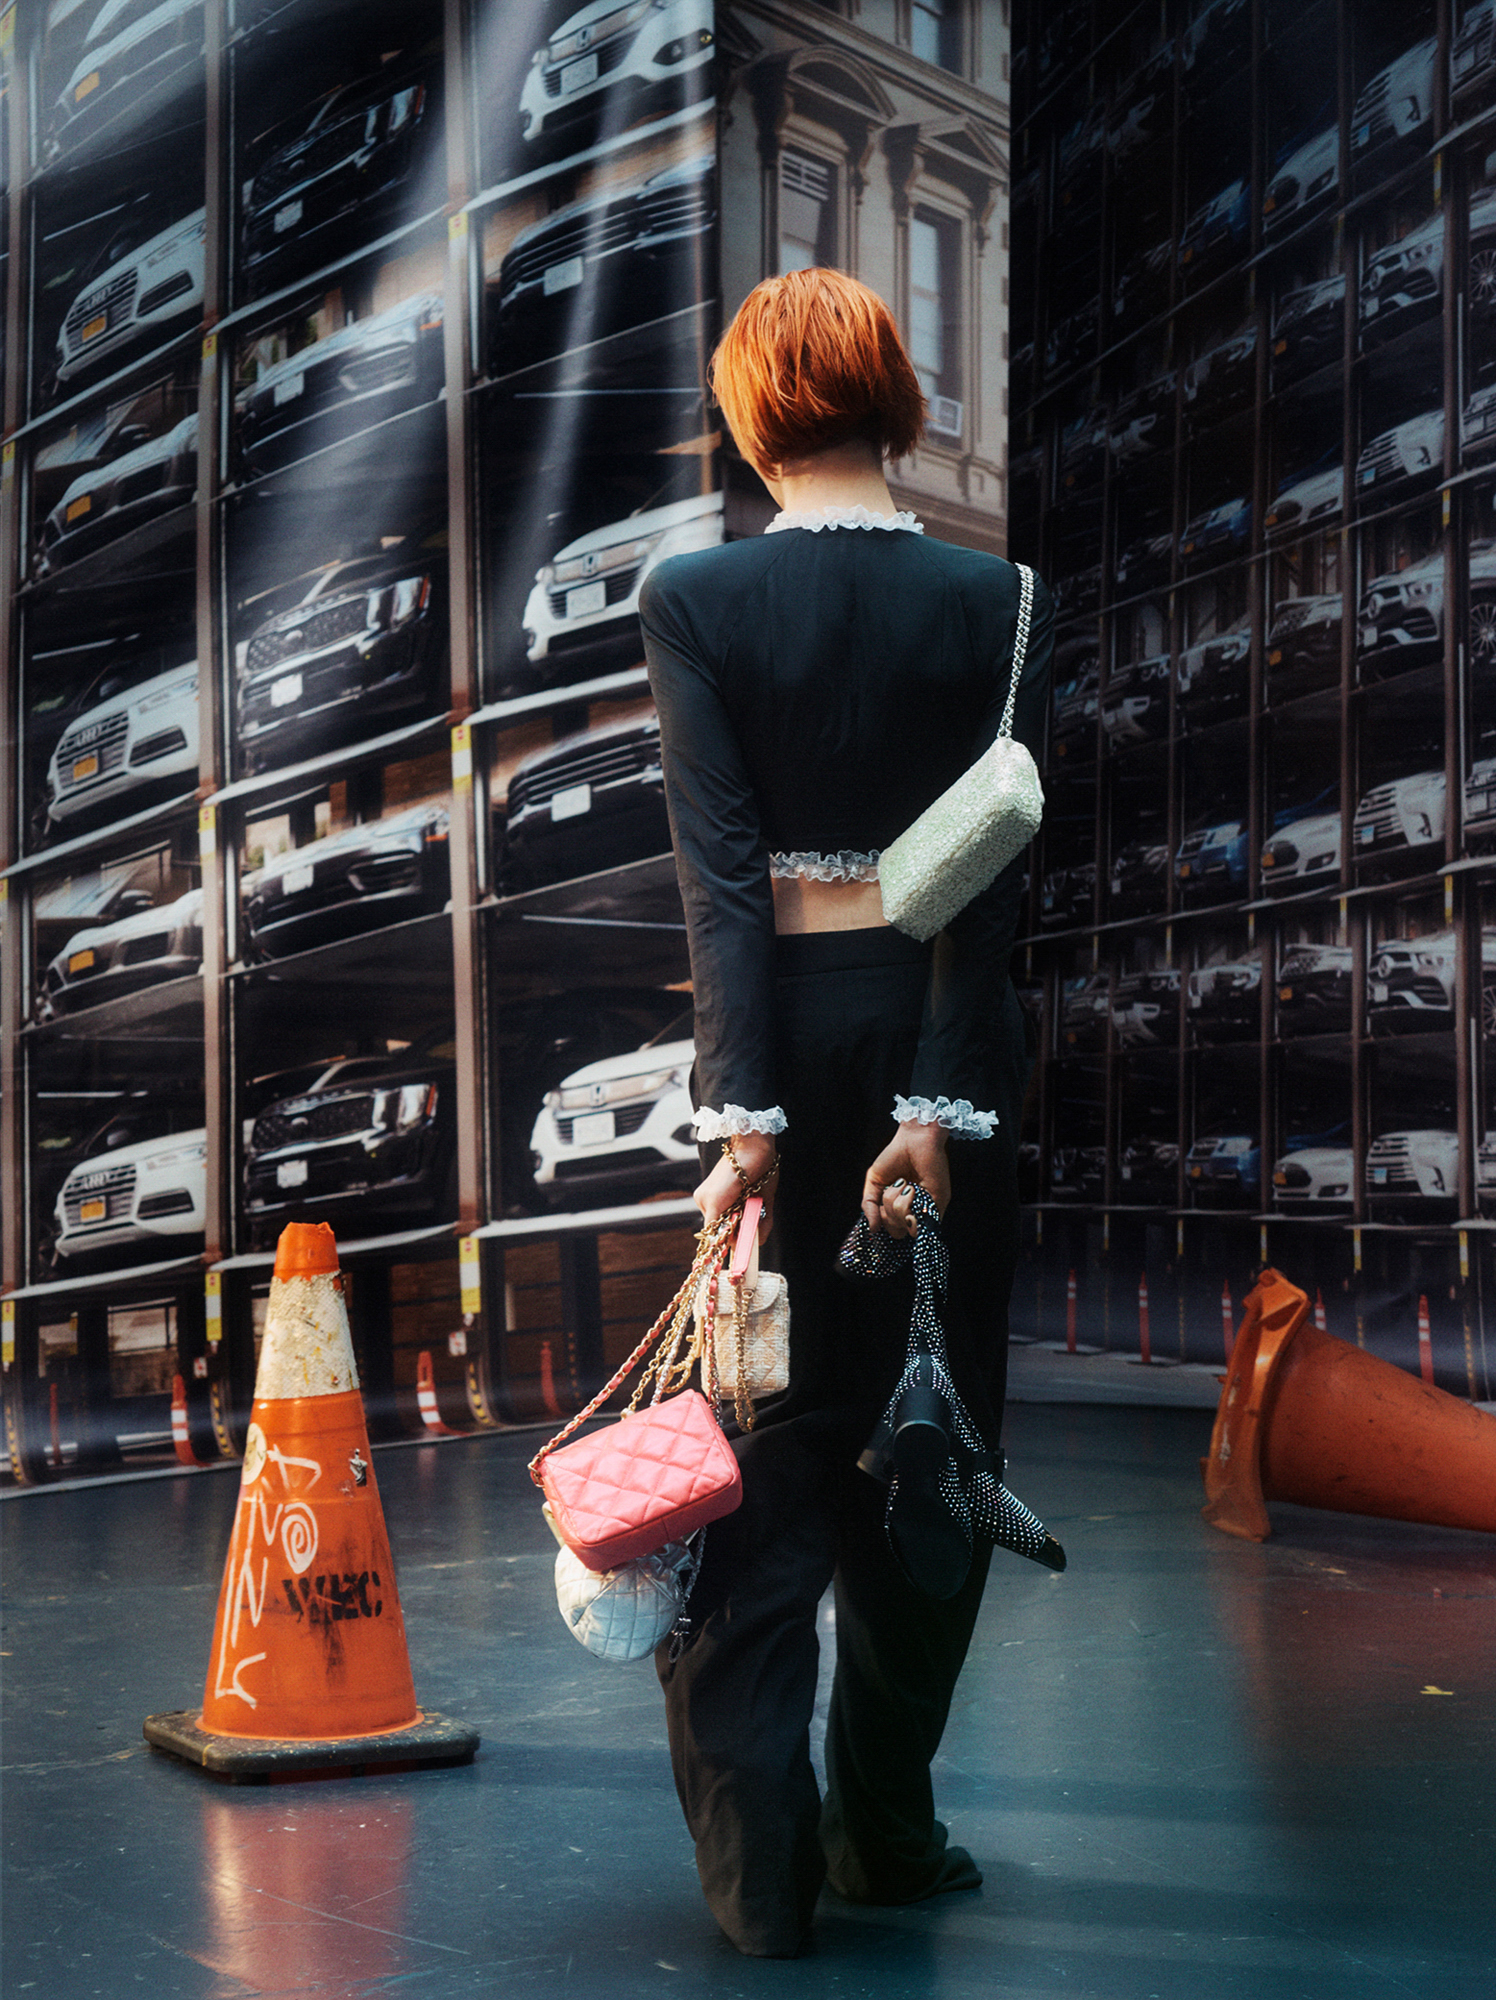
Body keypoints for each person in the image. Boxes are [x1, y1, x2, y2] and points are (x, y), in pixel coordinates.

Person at [638, 266, 1053, 1958]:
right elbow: (991, 875)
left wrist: (745, 1127)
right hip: (938, 1052)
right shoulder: (999, 599)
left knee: (750, 1458)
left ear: (751, 414)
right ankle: (890, 1834)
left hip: (783, 1061)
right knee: (927, 1455)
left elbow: (721, 884)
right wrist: (938, 1109)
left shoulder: (696, 598)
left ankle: (760, 1887)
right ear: (899, 399)